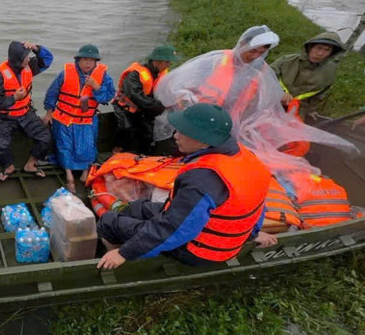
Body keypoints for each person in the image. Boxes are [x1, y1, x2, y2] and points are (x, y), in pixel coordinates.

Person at [96, 103, 276, 270]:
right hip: (212, 229)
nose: (175, 135)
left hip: (200, 250)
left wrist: (124, 253)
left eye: (183, 132)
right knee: (138, 208)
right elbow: (256, 205)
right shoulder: (245, 157)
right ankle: (129, 242)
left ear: (204, 140)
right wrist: (251, 234)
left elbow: (175, 228)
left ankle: (113, 262)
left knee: (109, 222)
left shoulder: (202, 180)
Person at [153, 25, 354, 172]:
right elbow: (176, 84)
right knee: (183, 150)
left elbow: (266, 101)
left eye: (261, 52)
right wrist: (186, 99)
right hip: (200, 117)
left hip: (227, 124)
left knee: (211, 159)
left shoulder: (260, 70)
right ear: (242, 44)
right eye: (252, 50)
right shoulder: (216, 60)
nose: (255, 56)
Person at [44, 44, 115, 191]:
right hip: (64, 119)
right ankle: (69, 176)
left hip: (86, 120)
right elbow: (52, 92)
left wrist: (96, 87)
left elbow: (107, 97)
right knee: (65, 147)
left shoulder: (103, 77)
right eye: (84, 60)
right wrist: (48, 112)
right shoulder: (65, 73)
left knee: (88, 148)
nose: (88, 63)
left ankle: (84, 172)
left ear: (96, 62)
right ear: (78, 60)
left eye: (92, 60)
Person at [0, 41, 54, 181]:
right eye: (25, 57)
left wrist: (37, 48)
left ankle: (30, 164)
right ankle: (8, 166)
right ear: (17, 60)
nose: (28, 59)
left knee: (45, 137)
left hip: (26, 114)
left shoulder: (29, 66)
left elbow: (48, 60)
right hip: (5, 117)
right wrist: (13, 98)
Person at [112, 44, 177, 154]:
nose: (169, 65)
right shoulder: (135, 74)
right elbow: (136, 95)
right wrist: (158, 106)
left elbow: (168, 90)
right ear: (156, 61)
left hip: (145, 109)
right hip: (126, 109)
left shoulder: (162, 73)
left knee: (148, 133)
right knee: (127, 129)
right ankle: (117, 150)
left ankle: (145, 155)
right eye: (167, 62)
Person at [271, 31, 344, 121]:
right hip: (272, 102)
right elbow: (265, 77)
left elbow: (319, 95)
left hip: (298, 109)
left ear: (331, 53)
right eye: (318, 48)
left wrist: (311, 110)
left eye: (327, 50)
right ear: (310, 47)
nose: (320, 53)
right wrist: (279, 93)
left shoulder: (329, 71)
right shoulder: (287, 61)